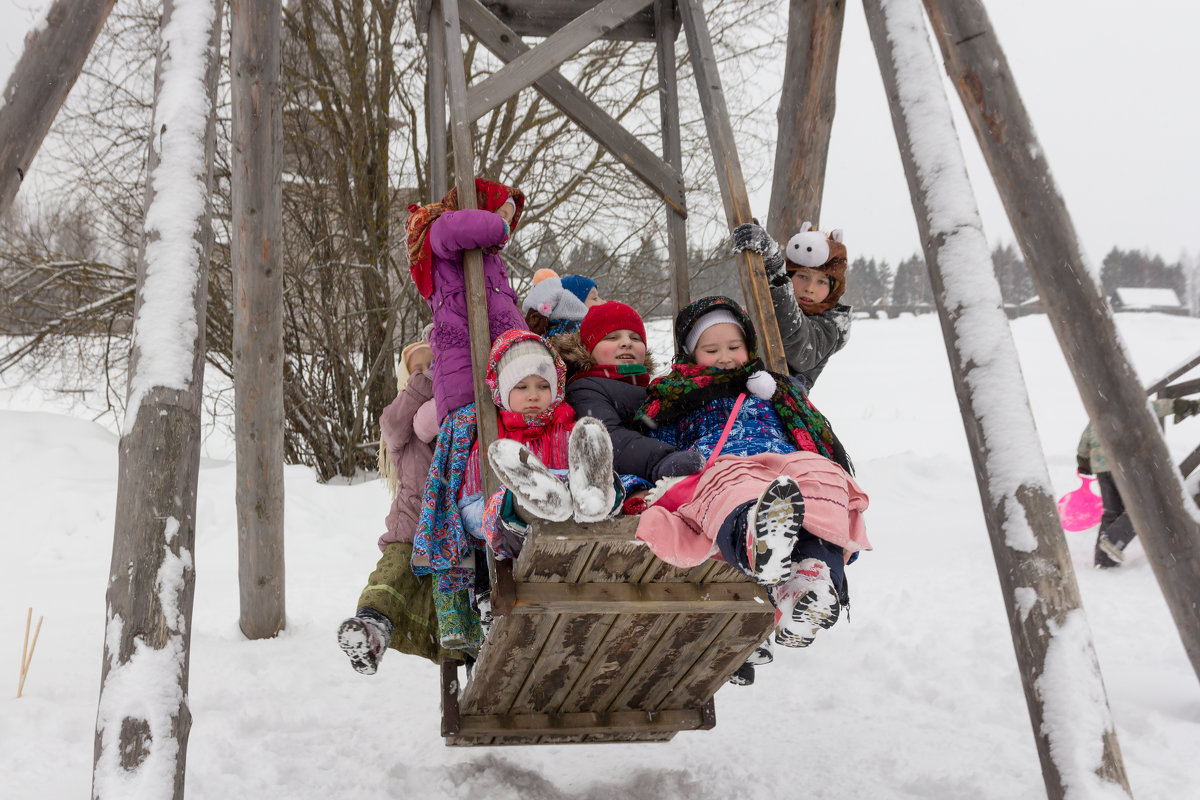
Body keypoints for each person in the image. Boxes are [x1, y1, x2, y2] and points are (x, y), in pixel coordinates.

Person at [634, 297, 870, 657]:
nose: (726, 356)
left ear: (749, 346)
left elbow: (810, 432)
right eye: (711, 349)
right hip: (723, 463)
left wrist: (783, 401)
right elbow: (651, 445)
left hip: (783, 461)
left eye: (734, 346)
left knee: (824, 478)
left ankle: (810, 584)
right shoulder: (677, 397)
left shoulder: (772, 390)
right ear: (691, 355)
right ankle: (756, 539)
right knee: (733, 488)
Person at [413, 330, 617, 649]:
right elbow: (469, 505)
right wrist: (504, 500)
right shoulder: (493, 434)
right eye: (521, 387)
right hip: (513, 529)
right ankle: (535, 493)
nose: (533, 395)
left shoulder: (567, 427)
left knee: (591, 466)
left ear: (557, 390)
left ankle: (593, 494)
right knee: (510, 490)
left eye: (542, 386)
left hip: (576, 522)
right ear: (503, 392)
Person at [336, 338, 453, 675]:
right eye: (415, 369)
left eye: (431, 363)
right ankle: (371, 630)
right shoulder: (403, 430)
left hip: (451, 532)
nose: (424, 372)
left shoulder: (451, 416)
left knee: (449, 605)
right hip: (411, 528)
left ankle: (465, 665)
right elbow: (391, 423)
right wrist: (426, 381)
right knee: (392, 574)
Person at [557, 300, 705, 512]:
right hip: (616, 476)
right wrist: (662, 460)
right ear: (588, 348)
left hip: (666, 468)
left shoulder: (654, 389)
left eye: (635, 338)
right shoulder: (584, 388)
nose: (626, 343)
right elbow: (609, 439)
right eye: (612, 337)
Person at [406, 177, 528, 422]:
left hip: (508, 361)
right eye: (498, 214)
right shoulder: (439, 228)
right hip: (462, 357)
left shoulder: (492, 260)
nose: (505, 224)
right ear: (478, 208)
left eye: (507, 219)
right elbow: (455, 229)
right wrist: (499, 227)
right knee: (469, 429)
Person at [1077, 396, 1200, 568]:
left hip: (1102, 468)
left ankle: (1104, 560)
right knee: (1139, 506)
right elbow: (1157, 407)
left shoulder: (1099, 414)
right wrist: (1187, 406)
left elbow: (1085, 441)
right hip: (1122, 464)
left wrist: (1083, 462)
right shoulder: (1129, 405)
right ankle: (1113, 540)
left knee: (1111, 511)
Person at [731, 221, 851, 393]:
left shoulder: (831, 328)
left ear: (834, 289)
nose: (809, 288)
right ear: (790, 276)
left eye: (821, 281)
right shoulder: (777, 299)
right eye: (802, 276)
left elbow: (799, 346)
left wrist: (775, 271)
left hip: (782, 409)